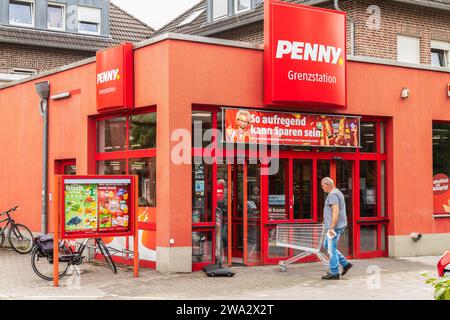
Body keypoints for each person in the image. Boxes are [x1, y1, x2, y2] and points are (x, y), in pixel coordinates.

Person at [320, 177, 353, 280]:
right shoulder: (337, 192)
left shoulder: (333, 195)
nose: (322, 188)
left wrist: (332, 226)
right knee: (327, 245)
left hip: (334, 227)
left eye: (323, 186)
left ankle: (334, 272)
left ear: (327, 184)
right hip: (336, 225)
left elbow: (335, 211)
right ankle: (345, 263)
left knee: (331, 249)